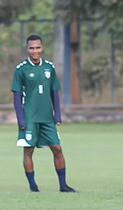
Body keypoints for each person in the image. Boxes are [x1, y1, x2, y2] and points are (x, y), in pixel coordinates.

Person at [12, 34, 75, 193]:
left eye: (37, 47)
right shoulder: (21, 69)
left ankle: (63, 185)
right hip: (30, 118)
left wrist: (58, 115)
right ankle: (33, 186)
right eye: (31, 48)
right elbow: (17, 96)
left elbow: (55, 92)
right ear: (27, 49)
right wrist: (21, 120)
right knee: (29, 150)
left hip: (47, 117)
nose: (35, 51)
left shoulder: (49, 67)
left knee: (57, 148)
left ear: (42, 48)